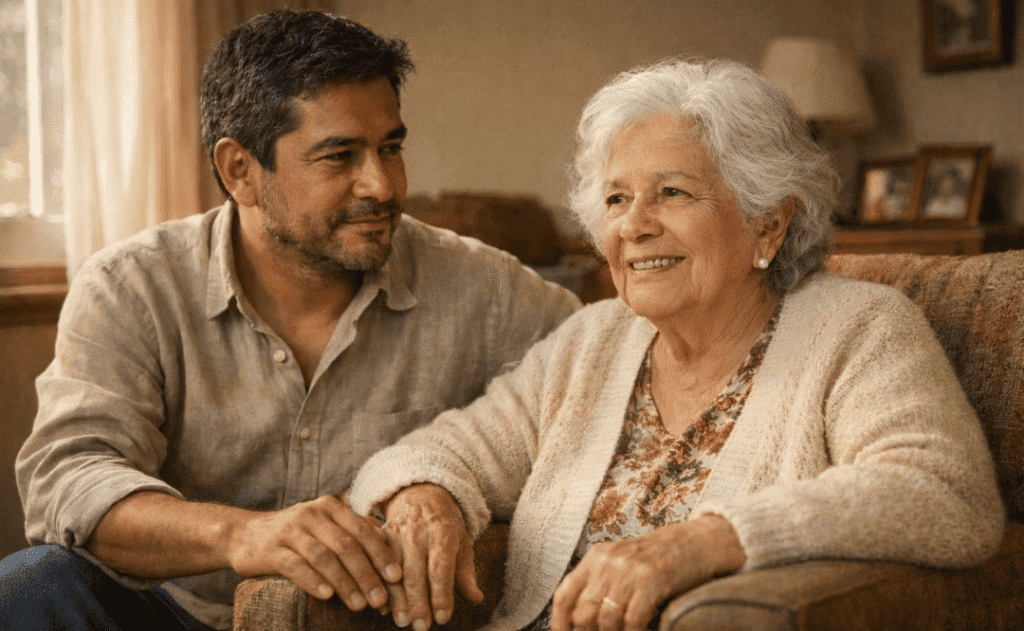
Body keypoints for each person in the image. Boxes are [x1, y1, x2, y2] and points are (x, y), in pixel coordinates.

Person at [347, 58, 1005, 631]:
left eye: (671, 192)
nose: (633, 224)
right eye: (615, 198)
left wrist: (704, 542)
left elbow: (944, 493)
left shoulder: (860, 328)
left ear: (767, 224)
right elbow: (444, 448)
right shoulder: (594, 339)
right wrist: (424, 496)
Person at [0, 10, 579, 631]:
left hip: (371, 622)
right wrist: (240, 537)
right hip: (173, 612)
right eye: (339, 157)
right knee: (31, 584)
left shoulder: (486, 291)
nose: (382, 185)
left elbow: (613, 379)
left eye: (390, 148)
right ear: (239, 171)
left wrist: (444, 489)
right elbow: (69, 477)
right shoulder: (131, 287)